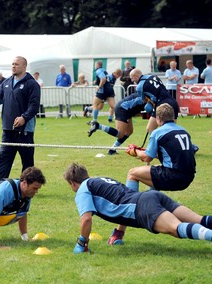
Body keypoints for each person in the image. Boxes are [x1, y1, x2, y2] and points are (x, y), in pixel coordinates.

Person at [63, 162, 212, 254]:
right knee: (200, 220)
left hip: (142, 206)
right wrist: (119, 233)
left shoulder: (83, 189)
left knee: (176, 229)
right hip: (151, 196)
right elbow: (123, 201)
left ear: (72, 182)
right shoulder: (99, 180)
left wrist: (82, 243)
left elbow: (86, 219)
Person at [109, 103, 196, 244]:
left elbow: (146, 158)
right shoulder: (183, 131)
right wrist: (145, 151)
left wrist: (134, 151)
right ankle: (153, 208)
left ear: (158, 119)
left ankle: (123, 224)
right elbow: (171, 154)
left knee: (132, 173)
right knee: (153, 170)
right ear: (173, 117)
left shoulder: (158, 132)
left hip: (172, 176)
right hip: (188, 177)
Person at [0, 56, 40, 184]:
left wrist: (24, 118)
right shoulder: (7, 82)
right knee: (3, 159)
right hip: (8, 130)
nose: (13, 66)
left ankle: (29, 187)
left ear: (24, 67)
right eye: (12, 64)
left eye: (16, 64)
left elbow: (34, 106)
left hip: (25, 130)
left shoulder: (31, 84)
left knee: (27, 161)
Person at [86, 61, 116, 131]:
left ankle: (94, 121)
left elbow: (103, 79)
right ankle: (124, 117)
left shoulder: (98, 71)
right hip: (110, 90)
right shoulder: (105, 70)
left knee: (95, 104)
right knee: (113, 106)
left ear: (97, 65)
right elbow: (108, 79)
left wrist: (99, 86)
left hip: (103, 91)